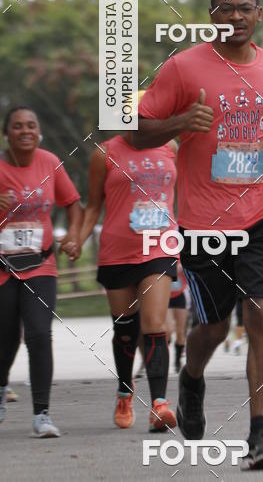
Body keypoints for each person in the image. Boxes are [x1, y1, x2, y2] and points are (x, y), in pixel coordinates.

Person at [133, 0, 263, 470]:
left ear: (258, 14)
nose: (235, 17)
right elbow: (137, 131)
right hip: (206, 221)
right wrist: (180, 124)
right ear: (212, 16)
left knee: (261, 313)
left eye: (243, 8)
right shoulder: (183, 68)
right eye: (224, 10)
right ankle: (191, 379)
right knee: (212, 325)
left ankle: (261, 437)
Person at [79, 99, 178, 432]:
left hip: (160, 246)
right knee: (125, 329)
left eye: (145, 117)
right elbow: (93, 206)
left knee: (154, 322)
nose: (138, 122)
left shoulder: (171, 147)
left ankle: (160, 404)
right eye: (132, 117)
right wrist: (77, 238)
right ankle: (125, 390)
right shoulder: (104, 154)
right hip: (118, 250)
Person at [0, 107, 82, 437]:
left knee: (38, 333)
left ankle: (42, 415)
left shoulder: (49, 162)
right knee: (5, 340)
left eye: (31, 125)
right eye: (17, 126)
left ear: (39, 132)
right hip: (2, 267)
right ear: (6, 133)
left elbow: (74, 204)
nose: (25, 131)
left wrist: (74, 236)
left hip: (41, 264)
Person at [167, 260, 189, 373]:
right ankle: (164, 359)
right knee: (168, 330)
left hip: (180, 296)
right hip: (165, 297)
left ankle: (177, 360)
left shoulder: (181, 255)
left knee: (181, 333)